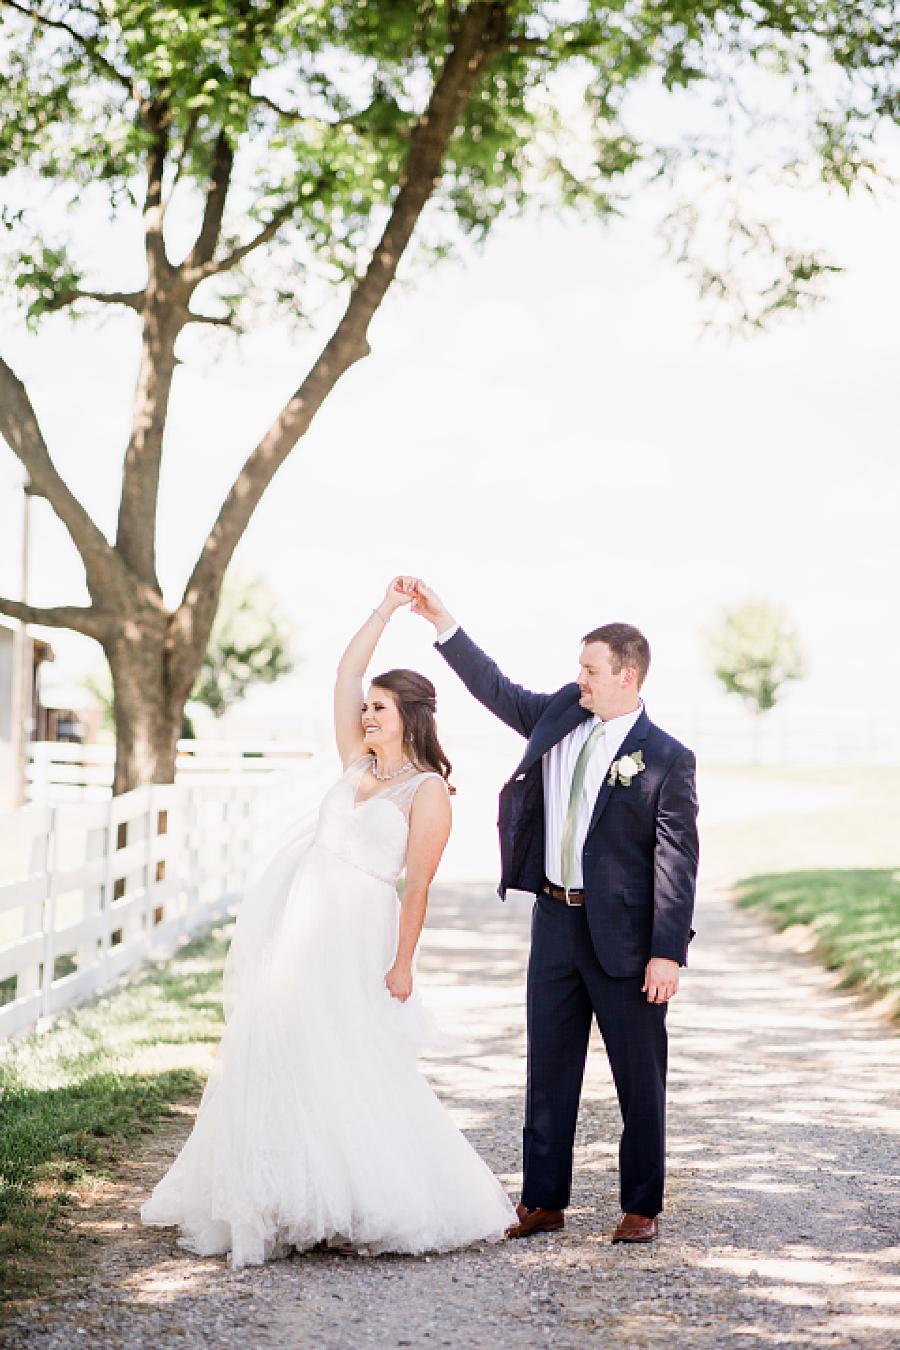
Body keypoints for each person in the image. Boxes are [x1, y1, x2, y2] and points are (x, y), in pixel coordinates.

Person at [141, 577, 516, 1267]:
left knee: (348, 1055)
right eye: (367, 707)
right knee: (280, 1047)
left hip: (357, 934)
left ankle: (360, 1194)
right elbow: (344, 672)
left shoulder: (428, 792)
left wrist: (402, 963)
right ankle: (277, 1195)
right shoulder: (355, 761)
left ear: (409, 714)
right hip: (298, 927)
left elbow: (418, 889)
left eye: (379, 707)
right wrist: (385, 609)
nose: (367, 714)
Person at [410, 581, 698, 1245]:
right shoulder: (562, 714)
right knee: (548, 1069)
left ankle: (641, 1204)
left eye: (590, 670)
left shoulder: (666, 759)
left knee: (639, 1077)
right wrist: (443, 622)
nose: (579, 680)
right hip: (554, 922)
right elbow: (495, 687)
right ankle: (543, 1200)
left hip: (625, 940)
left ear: (626, 676)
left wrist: (667, 952)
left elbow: (676, 864)